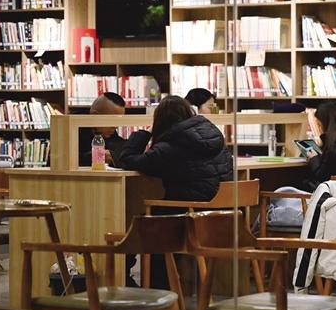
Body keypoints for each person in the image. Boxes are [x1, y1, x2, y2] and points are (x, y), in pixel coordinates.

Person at [119, 95, 233, 288]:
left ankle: (157, 288)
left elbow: (128, 159)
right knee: (155, 218)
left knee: (144, 224)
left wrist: (145, 133)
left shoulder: (171, 146)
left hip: (190, 215)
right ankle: (169, 286)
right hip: (221, 215)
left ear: (160, 121)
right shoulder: (213, 137)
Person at [78, 92, 126, 167]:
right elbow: (63, 158)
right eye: (111, 121)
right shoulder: (73, 130)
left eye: (118, 122)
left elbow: (122, 148)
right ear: (94, 116)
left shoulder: (111, 134)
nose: (115, 127)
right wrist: (94, 157)